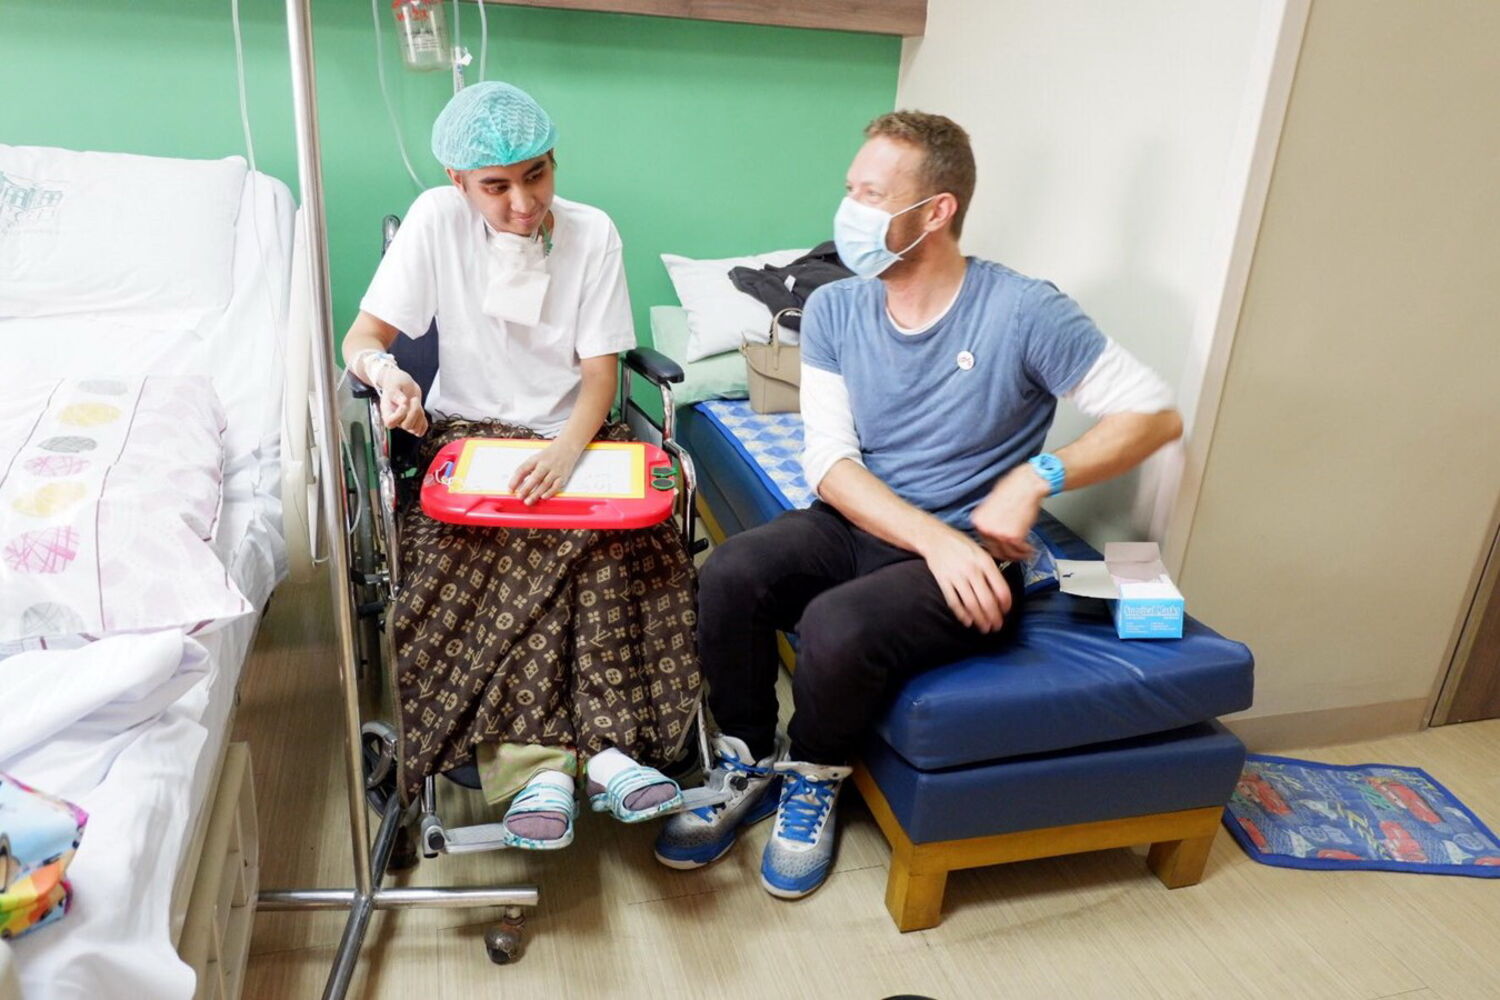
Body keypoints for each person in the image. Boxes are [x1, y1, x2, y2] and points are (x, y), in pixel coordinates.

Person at [654, 111, 1182, 898]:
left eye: (871, 195)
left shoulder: (1023, 310)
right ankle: (748, 759)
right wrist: (931, 537)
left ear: (936, 210)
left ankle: (815, 775)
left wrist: (1035, 478)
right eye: (850, 190)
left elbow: (1154, 414)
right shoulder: (835, 309)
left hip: (976, 559)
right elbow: (830, 463)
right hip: (876, 525)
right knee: (731, 572)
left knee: (836, 624)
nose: (849, 211)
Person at [341, 81, 700, 851]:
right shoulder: (436, 222)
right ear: (458, 182)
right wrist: (389, 375)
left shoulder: (593, 233)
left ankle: (604, 756)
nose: (524, 202)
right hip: (469, 439)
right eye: (496, 187)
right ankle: (547, 769)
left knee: (623, 551)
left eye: (537, 175)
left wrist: (567, 451)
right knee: (486, 558)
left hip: (580, 437)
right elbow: (361, 339)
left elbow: (600, 374)